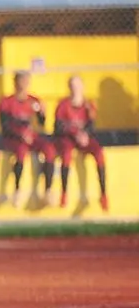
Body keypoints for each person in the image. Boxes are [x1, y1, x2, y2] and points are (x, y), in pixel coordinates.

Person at [0, 71, 57, 208]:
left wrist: (43, 114)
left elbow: (41, 123)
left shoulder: (34, 101)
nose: (24, 85)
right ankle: (17, 190)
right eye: (21, 81)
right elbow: (5, 126)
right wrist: (20, 134)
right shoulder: (6, 102)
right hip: (15, 138)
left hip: (31, 137)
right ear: (15, 83)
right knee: (21, 152)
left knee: (49, 149)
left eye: (26, 81)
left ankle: (48, 190)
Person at [54, 76, 109, 212]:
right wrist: (75, 133)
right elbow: (58, 126)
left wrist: (85, 135)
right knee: (66, 155)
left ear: (82, 87)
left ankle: (103, 194)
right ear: (69, 87)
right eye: (73, 85)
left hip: (84, 138)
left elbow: (91, 125)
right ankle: (64, 193)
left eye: (78, 85)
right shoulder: (63, 105)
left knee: (99, 153)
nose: (75, 88)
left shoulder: (88, 104)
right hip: (69, 139)